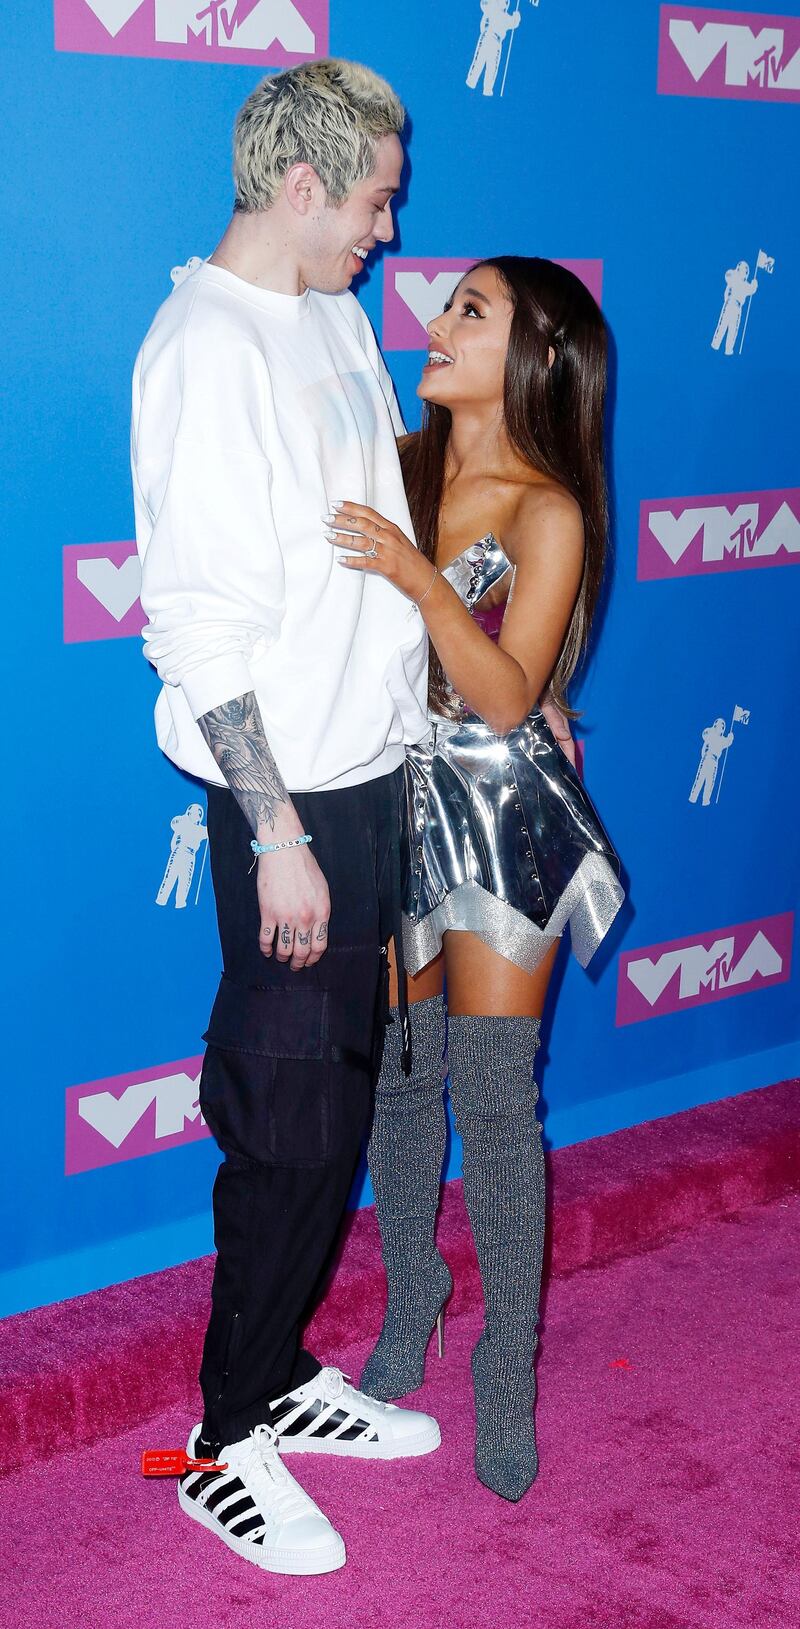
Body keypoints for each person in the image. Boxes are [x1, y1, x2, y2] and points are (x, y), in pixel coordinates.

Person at [131, 59, 441, 1579]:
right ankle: (220, 1440)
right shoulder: (204, 346)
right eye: (378, 196)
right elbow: (192, 624)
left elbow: (356, 554)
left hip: (363, 765)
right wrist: (275, 833)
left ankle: (276, 1383)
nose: (393, 226)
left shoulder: (325, 310)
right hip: (288, 795)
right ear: (303, 189)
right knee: (288, 1115)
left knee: (333, 1104)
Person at [323, 256, 624, 1502]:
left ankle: (506, 1367)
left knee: (493, 1099)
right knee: (399, 1084)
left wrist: (413, 576)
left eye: (470, 313)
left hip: (500, 808)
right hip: (389, 792)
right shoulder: (392, 463)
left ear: (535, 355)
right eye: (443, 306)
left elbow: (503, 696)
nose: (433, 324)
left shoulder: (547, 506)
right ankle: (411, 1308)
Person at [711, 261, 758, 355]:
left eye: (745, 271)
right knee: (723, 325)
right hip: (729, 303)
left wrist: (754, 284)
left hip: (737, 308)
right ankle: (715, 344)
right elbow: (727, 275)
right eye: (742, 269)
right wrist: (735, 273)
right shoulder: (733, 277)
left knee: (733, 329)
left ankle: (728, 349)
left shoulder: (745, 285)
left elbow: (751, 289)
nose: (743, 272)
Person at [689, 718, 734, 805]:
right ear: (716, 725)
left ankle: (705, 800)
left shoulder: (722, 740)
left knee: (710, 781)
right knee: (700, 778)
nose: (721, 727)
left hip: (714, 761)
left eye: (723, 726)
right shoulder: (710, 733)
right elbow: (704, 734)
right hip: (707, 758)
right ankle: (693, 797)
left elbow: (727, 742)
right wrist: (712, 731)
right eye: (720, 725)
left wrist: (730, 737)